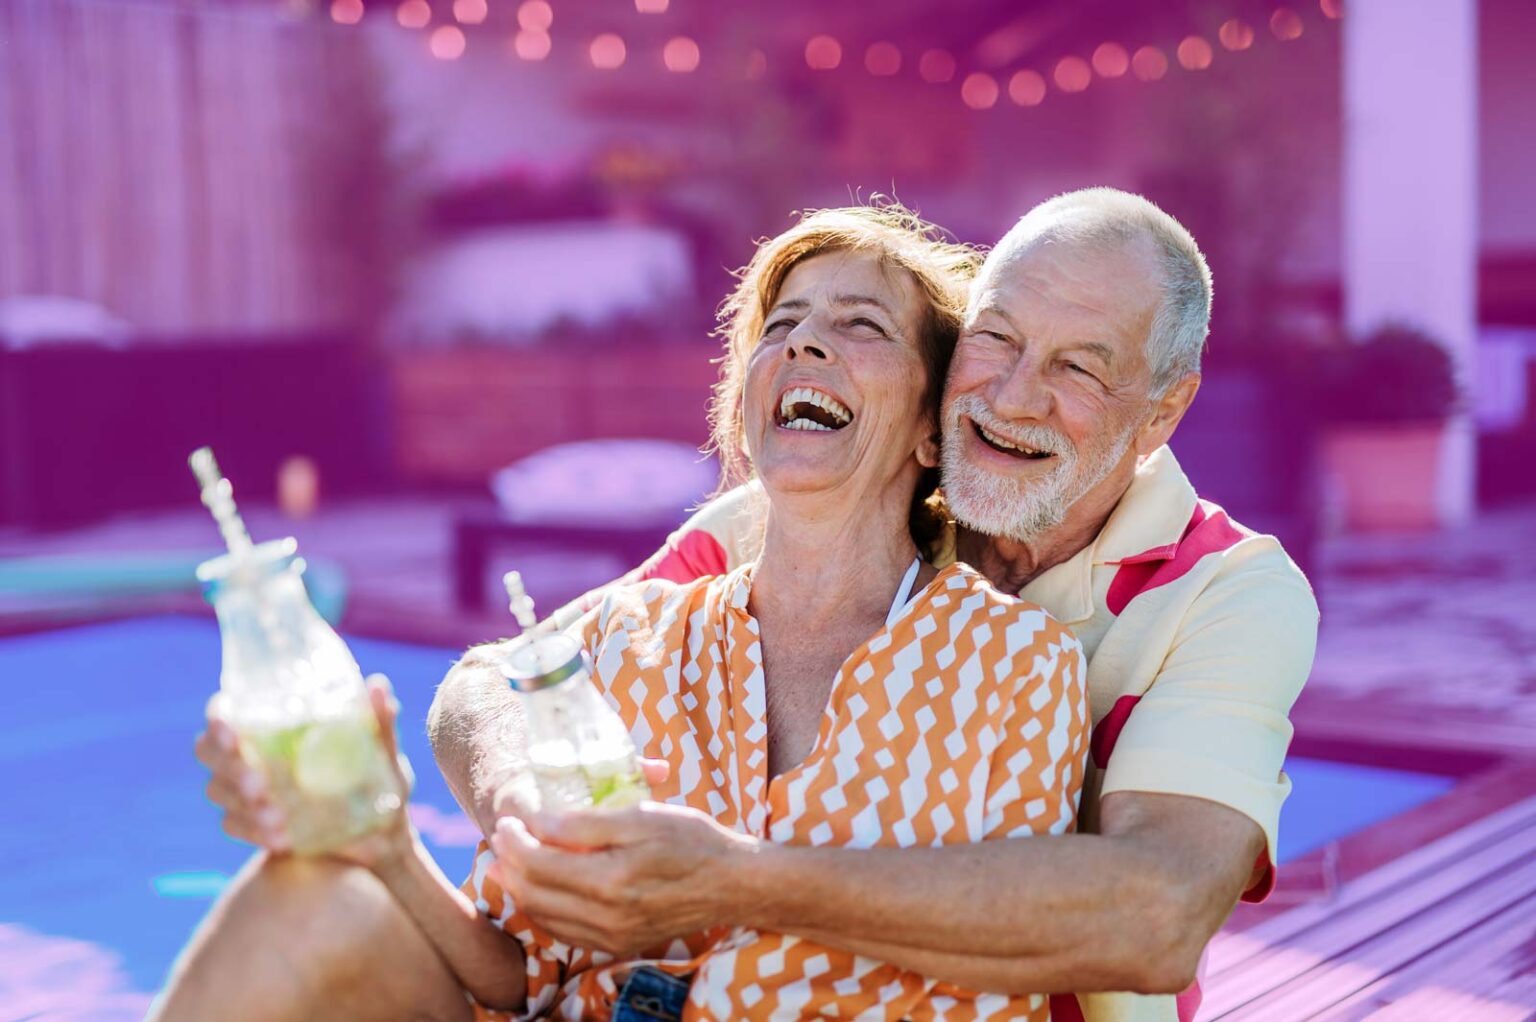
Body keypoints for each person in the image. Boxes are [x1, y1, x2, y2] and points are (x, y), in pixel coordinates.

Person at [159, 205, 1091, 1022]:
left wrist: (737, 883)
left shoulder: (1015, 664)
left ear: (934, 427)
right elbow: (518, 977)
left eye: (861, 326)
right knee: (313, 893)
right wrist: (391, 845)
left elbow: (1002, 954)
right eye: (784, 324)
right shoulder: (619, 642)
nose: (805, 344)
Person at [429, 188, 1320, 1022]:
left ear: (1163, 411)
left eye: (1078, 368)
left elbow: (1157, 914)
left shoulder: (1232, 591)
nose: (1012, 397)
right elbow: (498, 680)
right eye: (997, 338)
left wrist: (735, 878)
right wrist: (521, 798)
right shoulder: (810, 510)